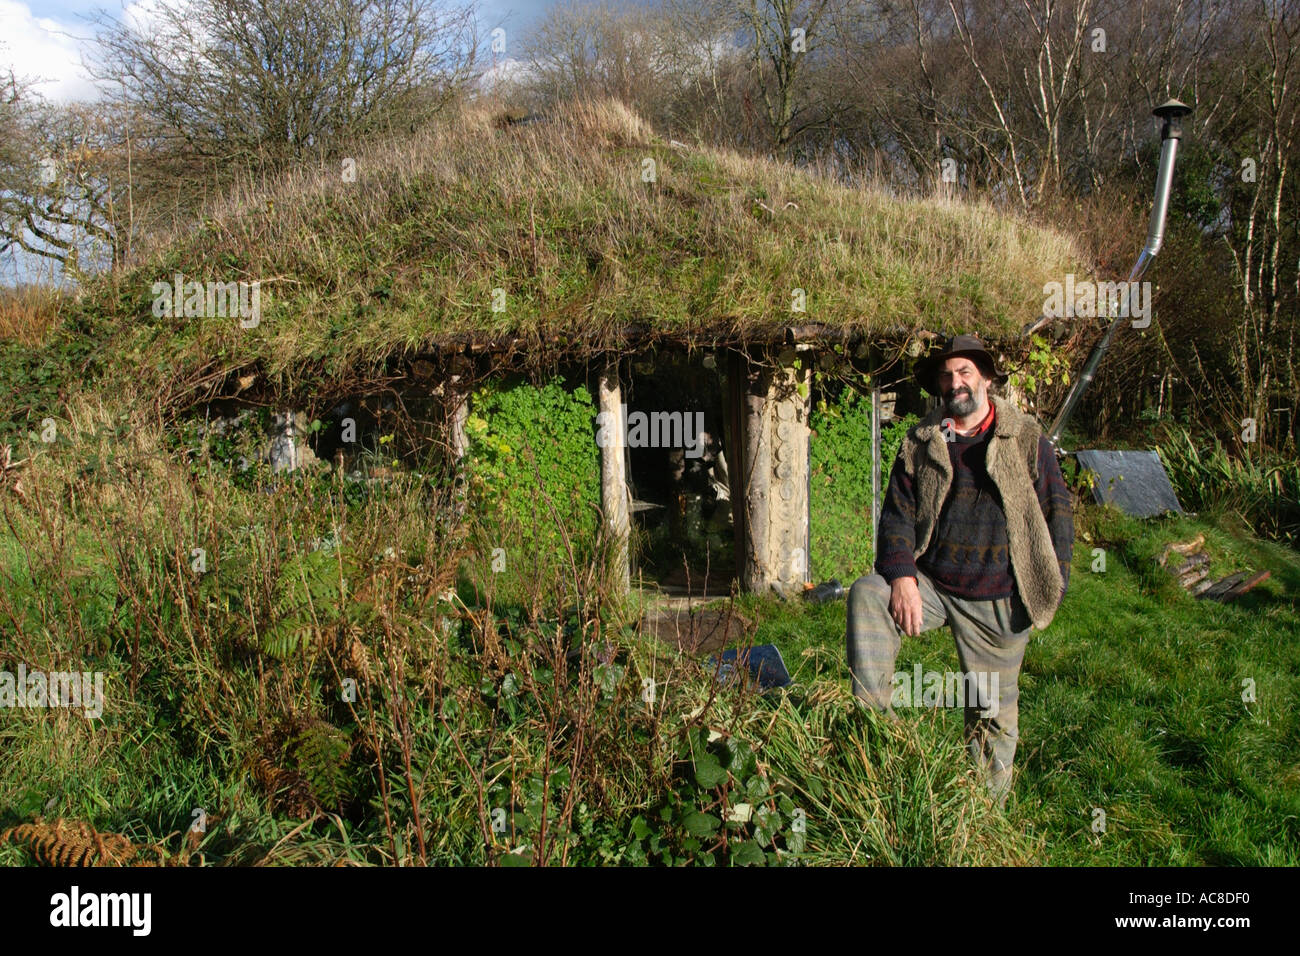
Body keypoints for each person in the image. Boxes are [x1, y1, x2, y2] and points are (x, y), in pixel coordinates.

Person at [846, 334, 1074, 805]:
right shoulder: (923, 440)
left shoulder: (1026, 439)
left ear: (986, 378)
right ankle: (873, 739)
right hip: (933, 582)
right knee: (868, 593)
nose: (956, 383)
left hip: (998, 595)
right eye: (948, 375)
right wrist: (903, 576)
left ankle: (981, 818)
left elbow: (1058, 516)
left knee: (991, 719)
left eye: (966, 372)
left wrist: (1049, 586)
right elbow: (896, 516)